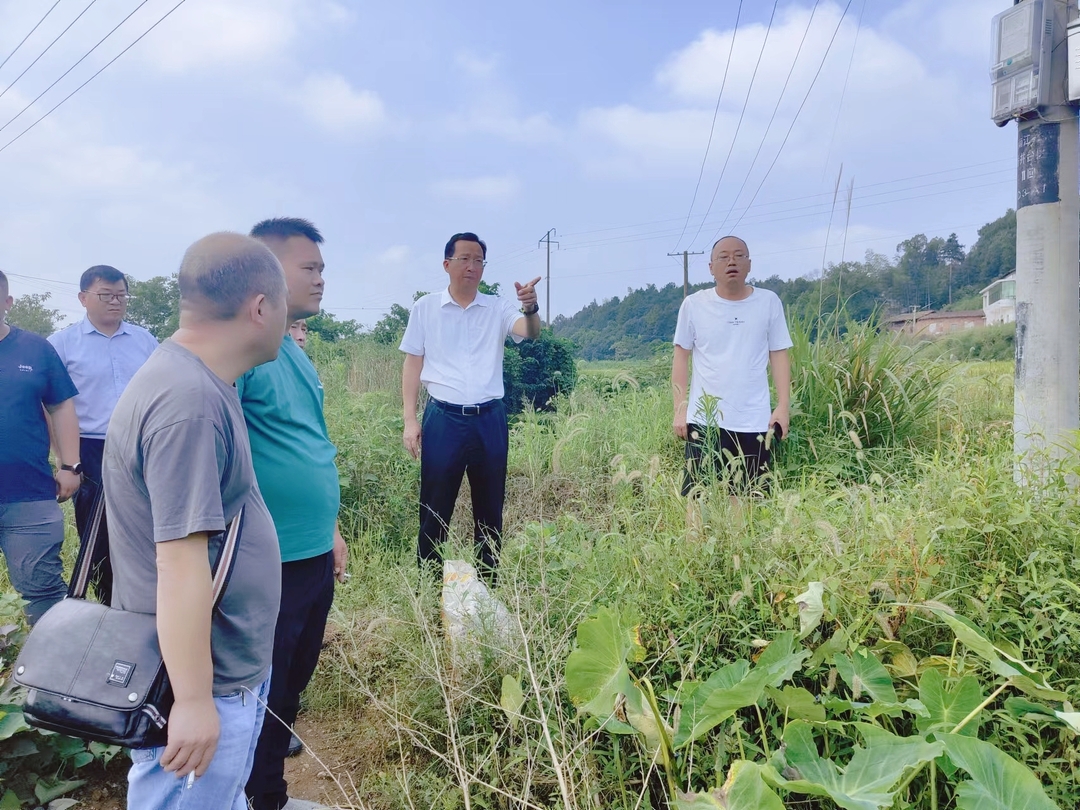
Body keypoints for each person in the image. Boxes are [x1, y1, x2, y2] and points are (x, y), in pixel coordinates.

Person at [103, 233, 288, 810]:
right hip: (201, 679)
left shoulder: (202, 383)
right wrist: (193, 700)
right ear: (260, 307)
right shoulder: (189, 402)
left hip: (223, 668)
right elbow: (179, 563)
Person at [241, 218, 347, 810]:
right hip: (267, 559)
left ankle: (268, 789)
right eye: (310, 268)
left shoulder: (291, 351)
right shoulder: (246, 355)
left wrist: (330, 530)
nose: (321, 279)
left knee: (291, 685)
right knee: (262, 688)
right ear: (267, 271)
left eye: (321, 268)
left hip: (309, 552)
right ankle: (258, 797)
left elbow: (309, 442)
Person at [400, 232, 541, 583]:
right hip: (442, 419)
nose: (472, 266)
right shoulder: (426, 308)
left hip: (489, 420)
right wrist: (409, 419)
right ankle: (428, 588)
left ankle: (489, 584)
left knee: (490, 509)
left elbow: (530, 331)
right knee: (435, 509)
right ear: (447, 264)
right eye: (464, 259)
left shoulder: (497, 307)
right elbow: (412, 364)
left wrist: (530, 306)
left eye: (478, 260)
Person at [48, 265, 158, 604]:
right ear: (83, 298)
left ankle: (150, 602)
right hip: (91, 448)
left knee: (149, 525)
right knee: (99, 533)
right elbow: (50, 404)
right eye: (106, 295)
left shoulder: (145, 340)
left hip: (142, 445)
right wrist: (66, 459)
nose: (116, 301)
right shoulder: (62, 344)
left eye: (121, 295)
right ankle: (110, 606)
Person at [671, 235, 792, 504]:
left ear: (749, 265)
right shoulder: (694, 304)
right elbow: (681, 357)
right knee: (697, 495)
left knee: (746, 496)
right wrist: (680, 408)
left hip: (753, 418)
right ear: (711, 267)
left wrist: (783, 406)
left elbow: (779, 354)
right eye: (723, 257)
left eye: (739, 256)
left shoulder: (768, 302)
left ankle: (737, 547)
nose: (731, 262)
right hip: (705, 418)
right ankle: (695, 546)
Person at [0, 270, 81, 625]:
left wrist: (70, 466)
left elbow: (61, 406)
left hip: (29, 496)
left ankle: (49, 676)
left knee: (44, 593)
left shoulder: (35, 349)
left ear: (7, 303)